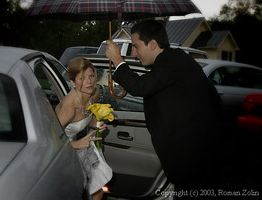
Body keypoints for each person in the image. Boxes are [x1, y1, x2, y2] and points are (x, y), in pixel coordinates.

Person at [106, 20, 223, 199]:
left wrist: (117, 60)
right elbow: (214, 99)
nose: (135, 53)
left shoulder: (171, 62)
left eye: (136, 46)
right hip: (197, 158)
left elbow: (140, 87)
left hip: (192, 160)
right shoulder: (174, 61)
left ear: (152, 44)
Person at [55, 57, 112, 200]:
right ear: (73, 82)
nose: (89, 81)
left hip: (79, 145)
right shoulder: (69, 107)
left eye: (91, 76)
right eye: (81, 78)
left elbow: (88, 115)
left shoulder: (94, 93)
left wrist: (96, 123)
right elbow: (50, 138)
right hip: (61, 149)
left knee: (98, 188)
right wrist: (75, 144)